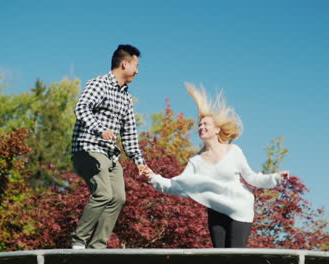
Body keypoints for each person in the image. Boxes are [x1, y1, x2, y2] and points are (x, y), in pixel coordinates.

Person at [146, 83, 290, 248]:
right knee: (220, 256)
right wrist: (153, 178)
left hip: (239, 209)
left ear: (217, 130)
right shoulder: (196, 161)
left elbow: (253, 178)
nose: (201, 127)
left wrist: (276, 177)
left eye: (206, 124)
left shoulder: (234, 151)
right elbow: (177, 185)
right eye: (199, 125)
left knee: (235, 256)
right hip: (215, 210)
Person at [70, 44, 149, 249]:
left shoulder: (126, 98)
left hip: (110, 156)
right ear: (125, 64)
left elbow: (130, 133)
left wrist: (139, 162)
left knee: (118, 198)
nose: (137, 71)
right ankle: (79, 242)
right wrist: (99, 129)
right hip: (88, 149)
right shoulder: (99, 84)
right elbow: (81, 107)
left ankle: (97, 247)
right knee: (104, 193)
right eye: (136, 66)